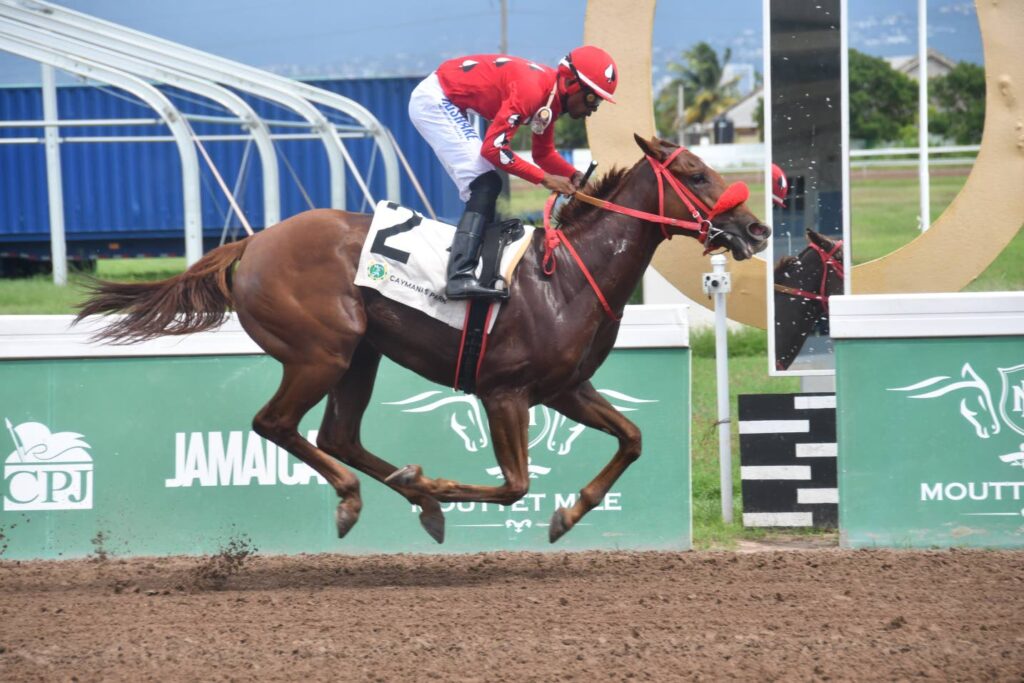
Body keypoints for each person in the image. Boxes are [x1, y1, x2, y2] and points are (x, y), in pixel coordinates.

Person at [409, 46, 618, 299]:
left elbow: (544, 155)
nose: (594, 108)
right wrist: (546, 179)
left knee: (486, 184)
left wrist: (573, 175)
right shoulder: (533, 91)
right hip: (435, 100)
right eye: (592, 98)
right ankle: (459, 275)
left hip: (450, 98)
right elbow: (493, 149)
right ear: (572, 84)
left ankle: (477, 268)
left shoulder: (551, 99)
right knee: (485, 183)